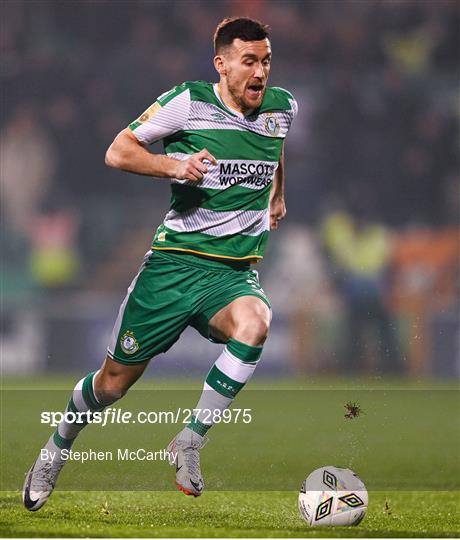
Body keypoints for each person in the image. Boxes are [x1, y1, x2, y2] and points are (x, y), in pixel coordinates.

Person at [23, 17, 297, 511]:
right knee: (111, 385)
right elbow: (118, 150)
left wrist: (278, 195)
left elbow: (276, 149)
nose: (261, 72)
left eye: (267, 61)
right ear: (223, 64)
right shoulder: (188, 102)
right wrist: (174, 165)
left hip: (230, 275)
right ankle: (56, 447)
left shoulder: (282, 108)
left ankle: (190, 438)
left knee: (257, 323)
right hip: (173, 269)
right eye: (249, 61)